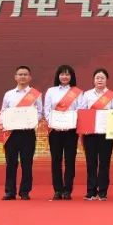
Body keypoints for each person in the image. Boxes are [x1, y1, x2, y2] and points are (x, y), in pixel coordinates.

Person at [0, 65, 41, 200]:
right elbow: (3, 111)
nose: (22, 76)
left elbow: (40, 113)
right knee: (11, 163)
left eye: (25, 74)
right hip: (11, 133)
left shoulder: (35, 94)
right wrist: (3, 122)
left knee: (27, 163)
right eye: (20, 74)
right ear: (15, 77)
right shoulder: (9, 94)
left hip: (27, 133)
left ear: (30, 77)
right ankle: (10, 191)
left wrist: (31, 121)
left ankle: (24, 191)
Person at [43, 64, 83, 200]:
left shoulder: (78, 92)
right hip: (55, 131)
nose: (64, 76)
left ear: (71, 76)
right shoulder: (51, 91)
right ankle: (58, 190)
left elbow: (80, 110)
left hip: (71, 131)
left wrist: (71, 122)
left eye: (67, 74)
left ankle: (67, 190)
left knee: (70, 160)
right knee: (56, 160)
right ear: (58, 76)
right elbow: (47, 110)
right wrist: (53, 123)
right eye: (62, 74)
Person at [79, 68, 113, 201]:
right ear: (94, 80)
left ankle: (102, 191)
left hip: (106, 133)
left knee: (104, 162)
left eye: (102, 78)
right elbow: (82, 111)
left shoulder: (112, 95)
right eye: (97, 78)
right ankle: (91, 191)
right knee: (91, 162)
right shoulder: (87, 94)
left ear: (106, 80)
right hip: (90, 133)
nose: (100, 80)